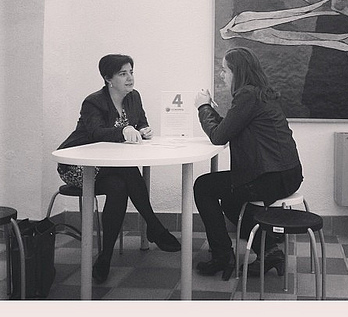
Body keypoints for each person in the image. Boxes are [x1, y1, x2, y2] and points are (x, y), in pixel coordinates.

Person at [56, 54, 180, 284]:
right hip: (79, 166)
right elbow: (95, 133)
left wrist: (143, 130)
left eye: (131, 72)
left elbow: (141, 121)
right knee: (128, 171)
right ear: (108, 78)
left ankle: (105, 257)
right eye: (123, 74)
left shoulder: (134, 97)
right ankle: (154, 226)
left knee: (119, 186)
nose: (130, 78)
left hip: (110, 168)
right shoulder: (93, 102)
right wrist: (124, 131)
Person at [193, 47, 303, 280]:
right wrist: (211, 111)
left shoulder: (247, 95)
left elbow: (218, 136)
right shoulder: (259, 94)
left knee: (203, 187)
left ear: (238, 72)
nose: (222, 75)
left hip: (272, 178)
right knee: (230, 200)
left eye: (225, 70)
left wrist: (203, 107)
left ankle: (223, 256)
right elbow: (228, 128)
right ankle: (270, 251)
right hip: (286, 174)